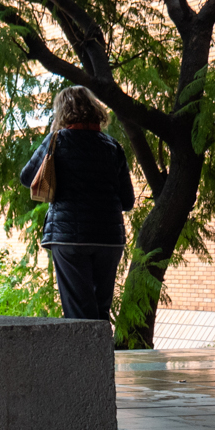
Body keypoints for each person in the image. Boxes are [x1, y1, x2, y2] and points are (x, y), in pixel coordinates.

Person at [19, 86, 135, 323]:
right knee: (100, 313)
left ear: (62, 112)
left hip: (69, 238)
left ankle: (85, 349)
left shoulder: (56, 141)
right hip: (108, 239)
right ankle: (102, 349)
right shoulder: (113, 147)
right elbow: (127, 201)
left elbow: (27, 177)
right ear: (94, 109)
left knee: (79, 317)